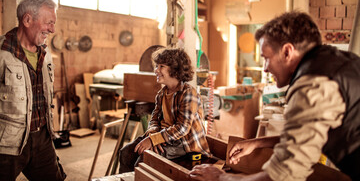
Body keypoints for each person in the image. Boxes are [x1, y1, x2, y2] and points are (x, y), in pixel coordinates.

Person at [190, 11, 360, 181]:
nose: (265, 68)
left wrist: (220, 178)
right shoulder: (342, 63)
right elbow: (300, 137)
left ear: (287, 52)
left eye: (266, 58)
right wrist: (257, 143)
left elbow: (282, 177)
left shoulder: (311, 86)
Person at [0, 0, 66, 180]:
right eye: (49, 23)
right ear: (27, 19)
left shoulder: (46, 56)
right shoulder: (2, 53)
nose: (52, 30)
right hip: (6, 143)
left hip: (42, 138)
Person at [119, 47, 210, 173]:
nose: (156, 70)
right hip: (164, 136)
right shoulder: (161, 94)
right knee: (126, 152)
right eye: (156, 66)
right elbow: (154, 119)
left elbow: (182, 128)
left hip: (184, 143)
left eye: (161, 66)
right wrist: (152, 134)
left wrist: (154, 140)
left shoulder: (188, 93)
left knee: (144, 161)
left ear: (175, 69)